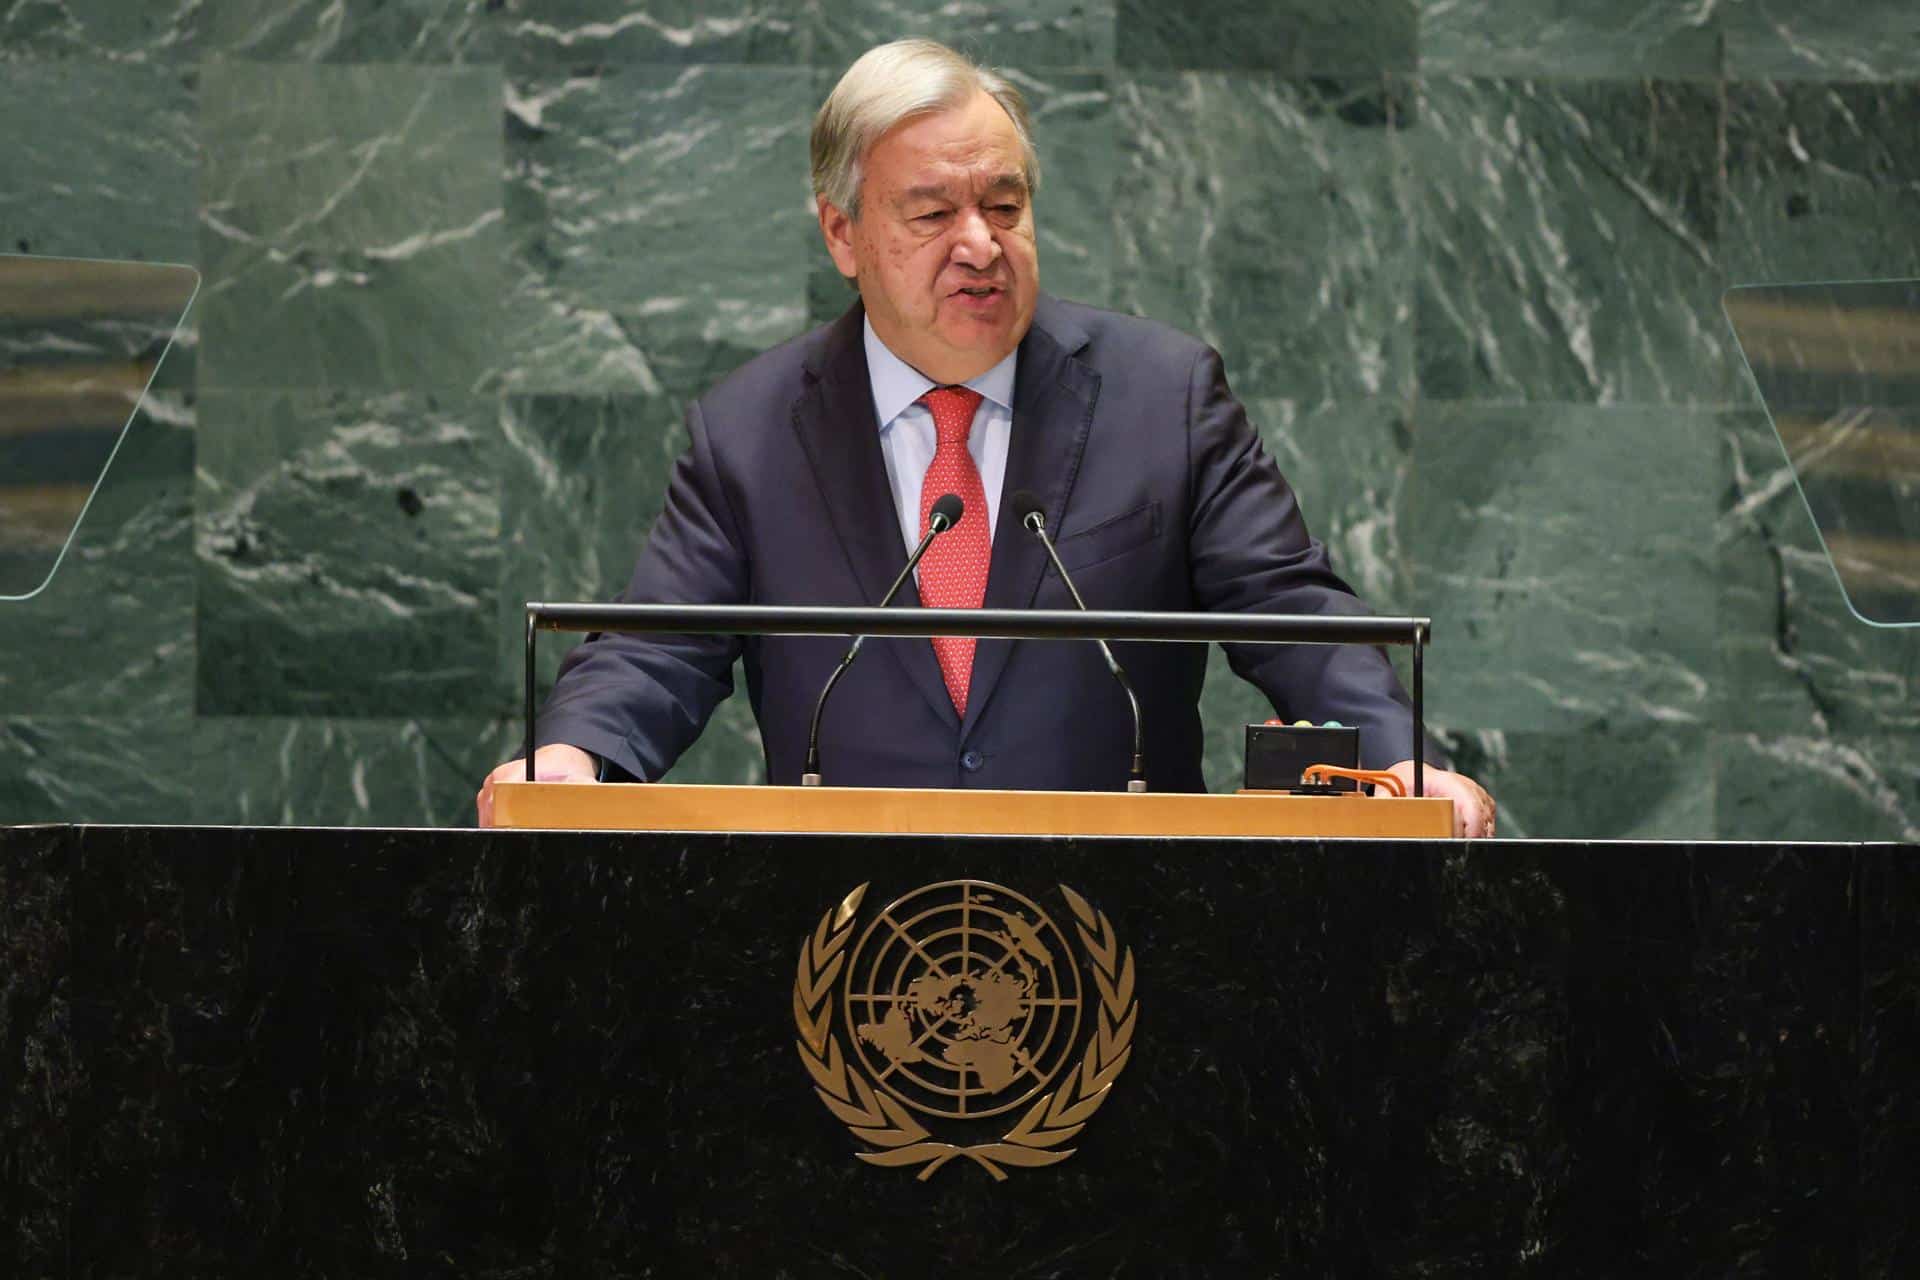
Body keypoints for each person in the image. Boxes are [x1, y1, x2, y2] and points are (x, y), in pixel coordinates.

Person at [478, 38, 1496, 836]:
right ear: (843, 233)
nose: (981, 245)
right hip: (843, 944)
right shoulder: (751, 430)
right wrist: (575, 759)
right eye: (932, 213)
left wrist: (1401, 759)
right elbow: (656, 647)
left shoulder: (1163, 395)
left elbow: (1289, 607)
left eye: (1004, 205)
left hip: (1138, 940)